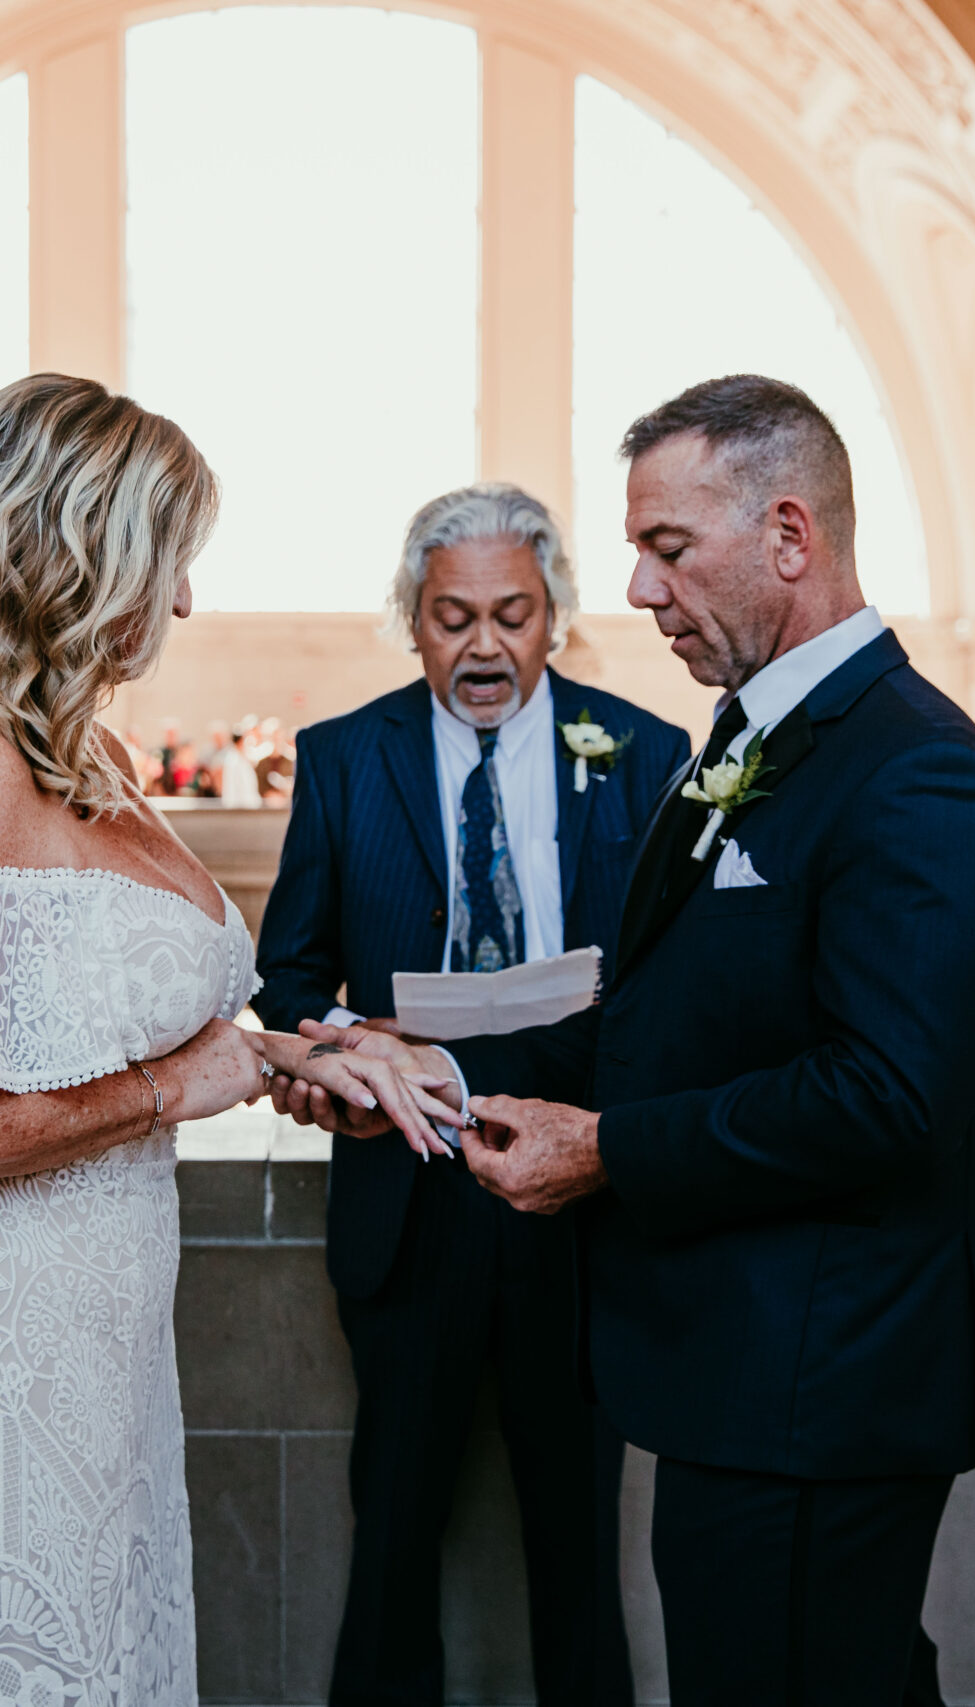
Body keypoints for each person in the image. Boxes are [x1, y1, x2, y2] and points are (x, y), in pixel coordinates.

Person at [271, 377, 975, 1706]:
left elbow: (890, 1096)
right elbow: (657, 1018)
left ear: (789, 536)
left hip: (822, 1387)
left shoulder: (919, 769)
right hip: (737, 1376)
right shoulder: (750, 742)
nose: (636, 589)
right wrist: (437, 1071)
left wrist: (613, 1147)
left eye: (669, 549)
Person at [0, 374, 454, 1707]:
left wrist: (290, 1055)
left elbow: (95, 1021)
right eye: (169, 563)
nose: (181, 606)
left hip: (75, 1321)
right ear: (81, 548)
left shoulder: (71, 746)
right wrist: (187, 1080)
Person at [256, 483, 688, 1707]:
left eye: (511, 615)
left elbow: (666, 991)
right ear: (413, 621)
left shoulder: (646, 753)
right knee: (391, 1537)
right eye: (453, 619)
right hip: (411, 1199)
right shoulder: (345, 758)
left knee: (576, 1549)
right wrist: (341, 1052)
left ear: (554, 617)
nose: (484, 647)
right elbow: (289, 973)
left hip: (581, 1209)